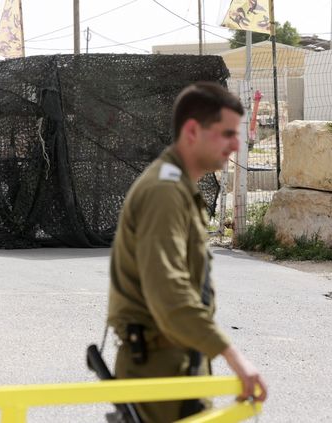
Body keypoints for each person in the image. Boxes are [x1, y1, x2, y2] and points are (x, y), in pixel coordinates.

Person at [108, 82, 268, 422]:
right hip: (159, 371)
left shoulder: (179, 188)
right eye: (226, 133)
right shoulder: (164, 192)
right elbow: (169, 293)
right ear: (193, 130)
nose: (236, 144)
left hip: (178, 362)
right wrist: (232, 355)